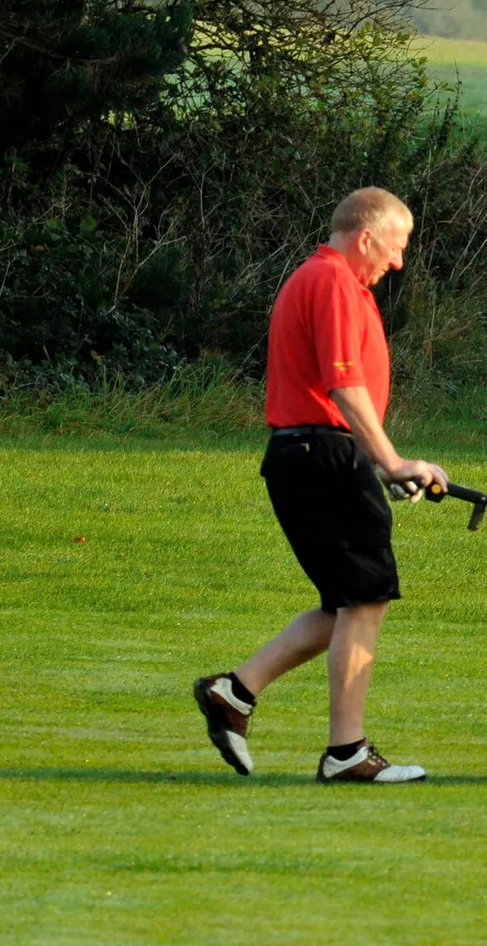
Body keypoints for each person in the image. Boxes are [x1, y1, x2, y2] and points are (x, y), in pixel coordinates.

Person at [193, 187, 450, 784]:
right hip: (320, 455)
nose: (399, 262)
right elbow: (344, 387)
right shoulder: (331, 281)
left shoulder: (334, 282)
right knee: (365, 599)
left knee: (348, 602)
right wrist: (392, 462)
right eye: (396, 247)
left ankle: (235, 692)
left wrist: (376, 462)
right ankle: (346, 754)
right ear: (367, 236)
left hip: (315, 454)